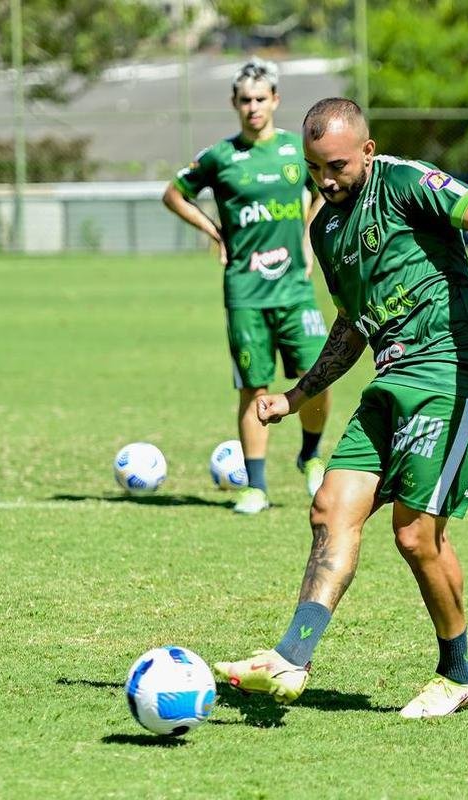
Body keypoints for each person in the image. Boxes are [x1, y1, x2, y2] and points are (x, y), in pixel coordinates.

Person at [212, 98, 468, 718]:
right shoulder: (326, 230)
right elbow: (351, 327)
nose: (326, 180)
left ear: (366, 151)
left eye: (337, 166)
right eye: (315, 169)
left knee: (415, 535)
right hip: (392, 382)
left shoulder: (404, 181)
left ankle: (457, 673)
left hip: (456, 374)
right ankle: (292, 656)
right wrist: (295, 397)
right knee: (329, 507)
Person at [162, 58, 331, 515]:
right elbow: (173, 193)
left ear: (275, 100)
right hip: (245, 291)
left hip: (294, 286)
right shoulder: (221, 157)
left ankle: (311, 456)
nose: (253, 107)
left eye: (261, 99)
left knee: (316, 376)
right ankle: (256, 487)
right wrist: (213, 231)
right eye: (245, 100)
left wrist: (309, 238)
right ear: (234, 104)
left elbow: (325, 189)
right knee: (253, 388)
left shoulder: (299, 151)